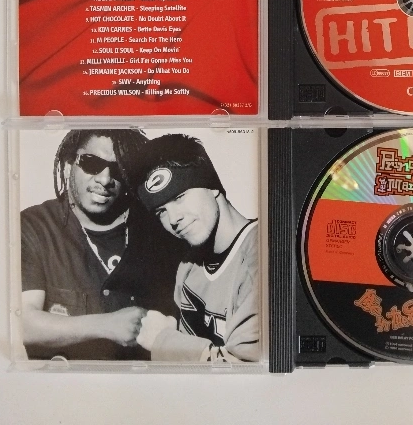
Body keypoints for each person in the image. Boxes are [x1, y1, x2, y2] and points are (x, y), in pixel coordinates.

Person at [20, 128, 181, 361]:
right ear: (68, 165)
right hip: (65, 381)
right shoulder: (36, 227)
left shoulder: (159, 229)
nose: (105, 180)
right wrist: (107, 325)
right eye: (92, 163)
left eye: (118, 170)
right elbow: (23, 324)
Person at [132, 134, 259, 362]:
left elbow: (247, 368)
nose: (173, 219)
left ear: (212, 186)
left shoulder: (262, 257)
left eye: (179, 197)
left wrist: (163, 340)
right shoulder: (188, 269)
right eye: (161, 211)